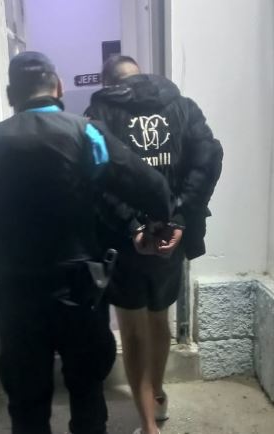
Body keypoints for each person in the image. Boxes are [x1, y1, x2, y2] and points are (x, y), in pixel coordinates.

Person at [0, 51, 173, 434]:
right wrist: (158, 225)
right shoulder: (87, 134)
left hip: (16, 297)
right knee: (87, 394)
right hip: (81, 293)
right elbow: (152, 188)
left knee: (27, 404)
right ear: (59, 87)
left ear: (11, 94)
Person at [85, 55, 223, 434]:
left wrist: (133, 226)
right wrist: (178, 218)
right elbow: (208, 159)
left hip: (123, 240)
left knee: (131, 330)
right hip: (170, 239)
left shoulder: (98, 113)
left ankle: (147, 424)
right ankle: (157, 393)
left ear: (108, 82)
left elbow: (95, 178)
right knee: (160, 320)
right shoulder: (183, 106)